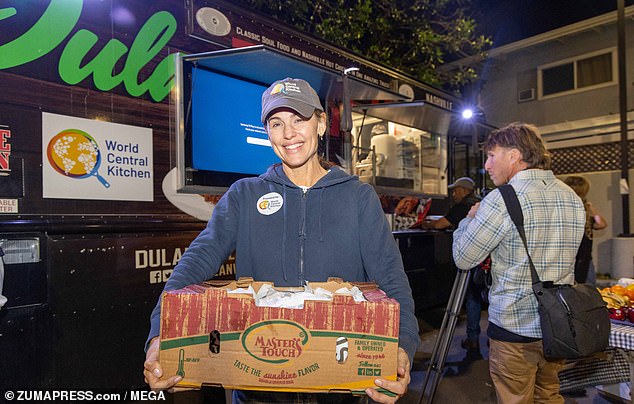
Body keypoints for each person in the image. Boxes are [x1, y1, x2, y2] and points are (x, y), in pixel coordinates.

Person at [143, 77, 419, 404]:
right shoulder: (245, 195)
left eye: (298, 120)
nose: (288, 133)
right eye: (276, 123)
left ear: (320, 124)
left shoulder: (358, 197)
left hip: (339, 386)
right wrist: (161, 335)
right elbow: (195, 263)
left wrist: (402, 348)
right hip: (257, 388)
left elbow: (390, 277)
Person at [452, 122, 585, 403]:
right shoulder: (570, 196)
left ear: (514, 156)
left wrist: (468, 219)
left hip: (515, 327)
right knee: (549, 395)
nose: (486, 165)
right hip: (558, 325)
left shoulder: (501, 200)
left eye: (491, 155)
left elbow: (464, 257)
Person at [422, 177, 485, 351]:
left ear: (465, 190)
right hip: (485, 259)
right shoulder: (481, 203)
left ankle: (472, 338)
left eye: (455, 190)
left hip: (471, 258)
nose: (453, 193)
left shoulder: (463, 206)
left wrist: (427, 224)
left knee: (472, 297)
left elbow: (442, 224)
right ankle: (489, 339)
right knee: (484, 296)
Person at [563, 176, 607, 285]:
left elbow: (601, 224)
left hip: (585, 258)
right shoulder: (565, 208)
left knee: (589, 287)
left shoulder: (586, 210)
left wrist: (592, 209)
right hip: (571, 257)